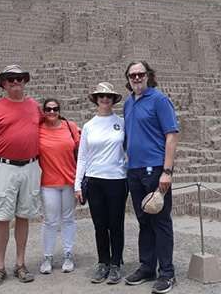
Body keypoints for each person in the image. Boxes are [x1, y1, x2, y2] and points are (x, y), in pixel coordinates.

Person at [0, 65, 42, 288]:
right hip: (5, 167)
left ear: (25, 81)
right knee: (2, 217)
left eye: (20, 78)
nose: (16, 82)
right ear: (3, 83)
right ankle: (0, 266)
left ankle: (21, 263)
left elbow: (48, 130)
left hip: (31, 167)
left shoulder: (34, 107)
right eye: (11, 79)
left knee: (24, 215)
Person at [123, 61, 180, 294]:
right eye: (132, 75)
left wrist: (167, 172)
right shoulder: (128, 103)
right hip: (134, 170)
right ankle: (147, 266)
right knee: (143, 220)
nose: (137, 78)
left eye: (140, 74)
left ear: (149, 76)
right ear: (128, 78)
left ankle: (167, 272)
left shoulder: (159, 100)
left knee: (161, 221)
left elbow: (171, 135)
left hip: (155, 169)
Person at [74, 82, 127, 285]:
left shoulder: (121, 122)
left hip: (117, 179)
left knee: (116, 224)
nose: (105, 99)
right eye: (101, 96)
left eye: (108, 96)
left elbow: (129, 148)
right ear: (96, 99)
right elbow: (83, 157)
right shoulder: (89, 126)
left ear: (113, 100)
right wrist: (77, 184)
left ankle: (116, 264)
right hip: (95, 180)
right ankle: (103, 262)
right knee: (99, 225)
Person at [38, 98, 80, 275]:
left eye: (55, 109)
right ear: (43, 111)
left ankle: (68, 254)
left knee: (68, 219)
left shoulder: (70, 127)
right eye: (48, 109)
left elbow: (82, 149)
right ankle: (47, 256)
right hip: (48, 182)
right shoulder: (37, 130)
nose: (52, 112)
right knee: (50, 221)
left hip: (69, 181)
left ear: (60, 110)